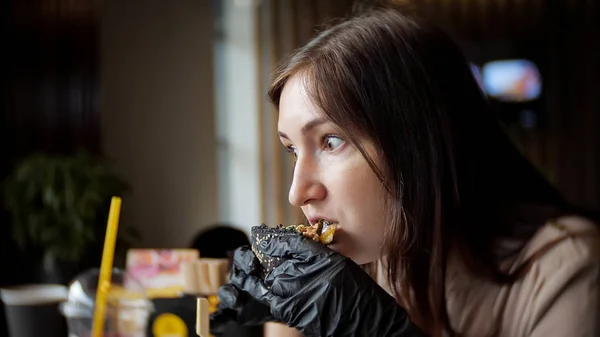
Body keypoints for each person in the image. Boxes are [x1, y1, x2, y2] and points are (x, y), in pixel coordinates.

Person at [210, 2, 600, 337]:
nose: (298, 193)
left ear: (418, 143)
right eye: (293, 150)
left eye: (331, 141)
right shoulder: (369, 262)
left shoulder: (567, 269)